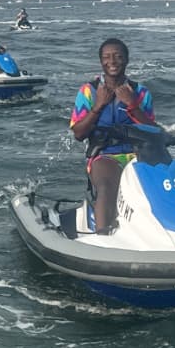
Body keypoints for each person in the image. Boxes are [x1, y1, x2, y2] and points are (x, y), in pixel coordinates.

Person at [69, 38, 155, 233]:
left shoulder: (141, 93)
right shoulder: (88, 92)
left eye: (118, 56)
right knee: (108, 186)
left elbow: (154, 132)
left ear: (126, 60)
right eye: (107, 57)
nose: (113, 61)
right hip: (105, 155)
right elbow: (79, 134)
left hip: (138, 154)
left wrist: (132, 105)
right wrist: (98, 105)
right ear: (101, 62)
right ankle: (103, 235)